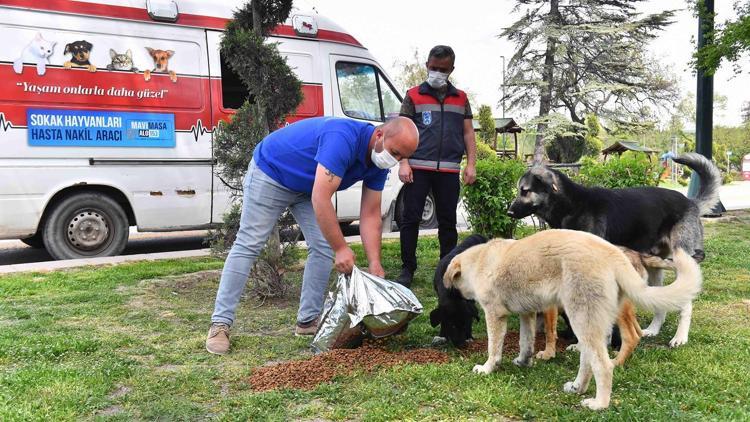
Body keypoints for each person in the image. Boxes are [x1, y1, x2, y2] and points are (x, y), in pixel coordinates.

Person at [205, 116, 419, 355]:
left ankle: (307, 321)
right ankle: (220, 324)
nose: (394, 161)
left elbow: (370, 215)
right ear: (379, 135)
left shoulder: (377, 165)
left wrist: (375, 263)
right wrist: (341, 248)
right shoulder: (343, 138)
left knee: (322, 246)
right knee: (249, 243)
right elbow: (321, 197)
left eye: (401, 157)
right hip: (273, 170)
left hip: (307, 186)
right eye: (395, 152)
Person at [396, 45, 477, 288]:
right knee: (410, 219)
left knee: (447, 222)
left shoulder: (461, 98)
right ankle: (407, 269)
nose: (437, 73)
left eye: (443, 69)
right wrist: (403, 162)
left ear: (451, 69)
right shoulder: (413, 95)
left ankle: (447, 268)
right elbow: (401, 131)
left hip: (450, 170)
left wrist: (471, 163)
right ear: (427, 66)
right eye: (433, 68)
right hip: (417, 168)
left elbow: (468, 133)